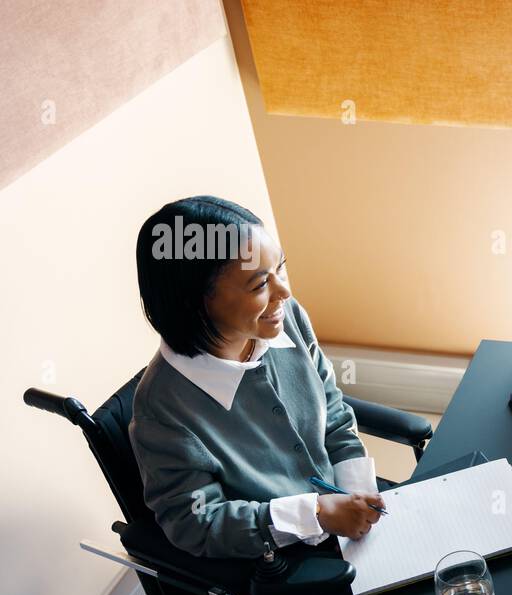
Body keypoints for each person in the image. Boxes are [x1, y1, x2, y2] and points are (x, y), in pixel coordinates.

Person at [130, 196, 385, 558]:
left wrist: (359, 499)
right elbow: (196, 524)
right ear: (196, 301)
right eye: (259, 285)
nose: (285, 292)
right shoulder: (162, 410)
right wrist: (315, 514)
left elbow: (332, 410)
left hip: (351, 518)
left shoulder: (287, 318)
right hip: (278, 559)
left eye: (279, 269)